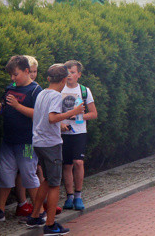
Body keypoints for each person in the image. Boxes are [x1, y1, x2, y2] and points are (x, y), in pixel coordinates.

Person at [27, 64, 84, 235]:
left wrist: (61, 125)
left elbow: (43, 118)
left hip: (38, 142)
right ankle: (50, 225)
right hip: (51, 144)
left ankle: (35, 216)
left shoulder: (41, 93)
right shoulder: (56, 96)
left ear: (49, 78)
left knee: (46, 180)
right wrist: (72, 112)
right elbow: (52, 118)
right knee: (54, 184)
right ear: (64, 79)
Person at [0, 55, 43, 224]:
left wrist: (18, 106)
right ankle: (1, 211)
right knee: (4, 175)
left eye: (16, 74)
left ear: (27, 72)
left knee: (28, 175)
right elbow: (6, 105)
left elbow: (39, 115)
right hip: (9, 140)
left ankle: (39, 212)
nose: (12, 78)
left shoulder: (36, 90)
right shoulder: (11, 87)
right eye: (11, 75)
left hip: (27, 142)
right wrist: (1, 108)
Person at [60, 60, 97, 210]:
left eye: (73, 72)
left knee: (78, 162)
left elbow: (94, 113)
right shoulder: (59, 90)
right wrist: (60, 123)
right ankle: (69, 196)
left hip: (79, 132)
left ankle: (78, 195)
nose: (69, 75)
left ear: (79, 75)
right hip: (63, 132)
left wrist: (79, 117)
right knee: (66, 164)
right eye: (67, 72)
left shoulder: (84, 90)